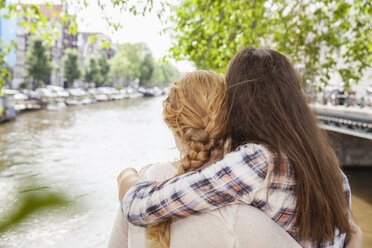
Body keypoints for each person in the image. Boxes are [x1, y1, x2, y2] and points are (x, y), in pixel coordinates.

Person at [117, 48, 363, 247]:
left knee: (151, 183)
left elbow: (139, 206)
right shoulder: (330, 169)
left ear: (240, 104)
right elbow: (349, 233)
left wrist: (128, 175)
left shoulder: (258, 161)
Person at [108, 70, 301, 248]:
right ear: (230, 122)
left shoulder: (146, 179)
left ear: (172, 125)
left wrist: (127, 176)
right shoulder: (247, 205)